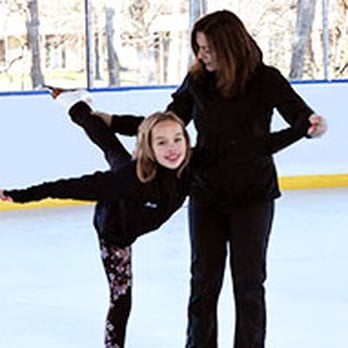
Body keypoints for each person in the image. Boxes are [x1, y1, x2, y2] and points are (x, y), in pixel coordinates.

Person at [86, 10, 327, 348]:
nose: (201, 55)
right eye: (198, 48)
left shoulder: (265, 79)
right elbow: (166, 124)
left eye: (208, 48)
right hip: (205, 193)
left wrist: (315, 127)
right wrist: (112, 121)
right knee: (203, 282)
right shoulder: (198, 81)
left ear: (230, 46)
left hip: (253, 195)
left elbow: (302, 118)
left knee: (249, 285)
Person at [0, 95, 191, 348]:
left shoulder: (191, 166)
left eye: (178, 139)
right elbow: (71, 187)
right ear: (148, 147)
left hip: (132, 191)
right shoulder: (128, 181)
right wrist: (21, 196)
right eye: (162, 142)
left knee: (113, 150)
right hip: (114, 229)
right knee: (121, 298)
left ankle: (74, 103)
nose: (172, 148)